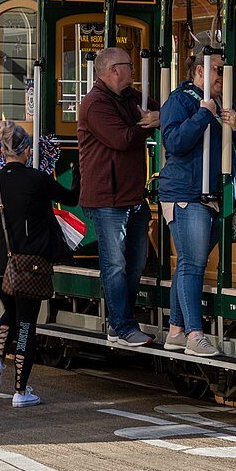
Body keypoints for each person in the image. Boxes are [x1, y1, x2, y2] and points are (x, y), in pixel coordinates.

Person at [160, 51, 236, 356]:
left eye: (226, 69)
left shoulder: (227, 103)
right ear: (201, 72)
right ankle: (194, 335)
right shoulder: (181, 100)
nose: (223, 76)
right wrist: (203, 115)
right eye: (219, 69)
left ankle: (176, 331)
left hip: (216, 197)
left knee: (190, 262)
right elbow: (174, 143)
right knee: (193, 263)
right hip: (186, 194)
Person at [0, 120, 75, 407]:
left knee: (11, 311)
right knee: (26, 324)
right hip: (30, 266)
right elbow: (71, 198)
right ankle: (20, 391)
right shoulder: (38, 180)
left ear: (2, 152)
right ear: (26, 150)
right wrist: (78, 173)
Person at [78, 46, 159, 348]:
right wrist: (151, 122)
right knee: (114, 265)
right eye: (129, 65)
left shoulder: (131, 96)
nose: (133, 70)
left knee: (135, 263)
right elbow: (122, 139)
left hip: (133, 197)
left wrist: (160, 116)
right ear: (113, 70)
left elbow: (160, 111)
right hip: (107, 199)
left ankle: (122, 320)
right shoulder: (95, 104)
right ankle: (121, 326)